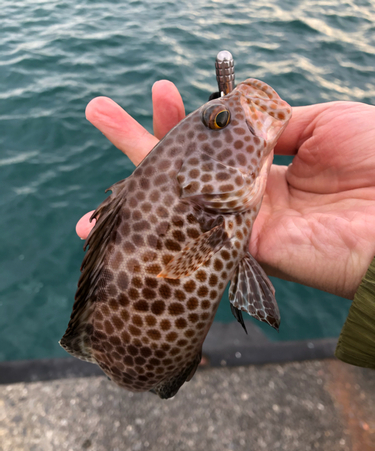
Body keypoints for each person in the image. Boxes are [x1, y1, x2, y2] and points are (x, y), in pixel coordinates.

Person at [76, 80, 375, 367]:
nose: (227, 116)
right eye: (219, 120)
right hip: (149, 357)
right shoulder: (216, 209)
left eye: (220, 119)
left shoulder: (214, 207)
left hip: (153, 355)